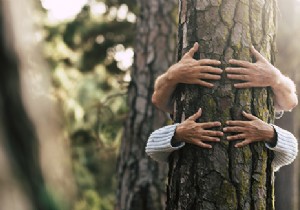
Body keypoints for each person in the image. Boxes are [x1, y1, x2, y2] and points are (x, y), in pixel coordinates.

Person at [146, 42, 298, 171]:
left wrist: (276, 79)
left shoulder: (266, 123)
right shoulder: (180, 115)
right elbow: (152, 146)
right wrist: (178, 133)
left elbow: (291, 145)